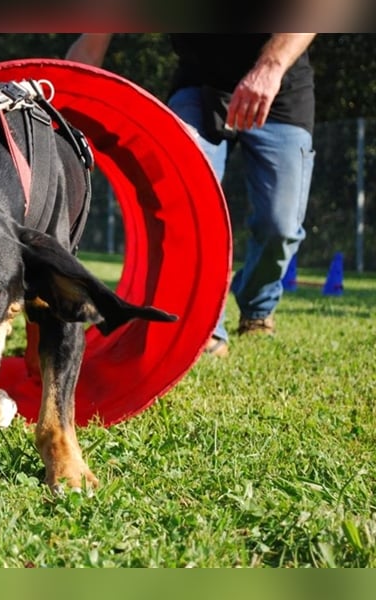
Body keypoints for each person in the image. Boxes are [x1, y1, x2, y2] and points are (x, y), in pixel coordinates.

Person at [67, 33, 316, 357]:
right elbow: (89, 47)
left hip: (280, 85)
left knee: (279, 226)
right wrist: (65, 106)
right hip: (199, 87)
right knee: (189, 206)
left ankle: (257, 306)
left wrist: (270, 67)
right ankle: (207, 326)